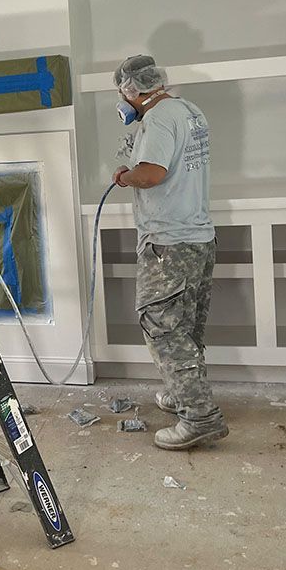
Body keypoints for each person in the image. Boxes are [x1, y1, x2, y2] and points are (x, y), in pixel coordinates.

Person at [111, 54, 229, 450]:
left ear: (131, 90)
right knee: (187, 329)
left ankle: (200, 417)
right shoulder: (189, 111)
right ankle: (184, 395)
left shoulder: (159, 119)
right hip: (198, 236)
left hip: (169, 241)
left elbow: (153, 173)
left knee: (164, 329)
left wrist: (127, 176)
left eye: (122, 93)